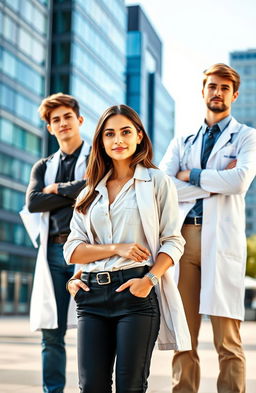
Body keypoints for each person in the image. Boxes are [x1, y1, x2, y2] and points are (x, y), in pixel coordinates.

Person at [64, 104, 191, 393]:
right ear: (101, 141)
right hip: (91, 295)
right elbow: (72, 249)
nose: (117, 140)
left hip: (134, 294)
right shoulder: (89, 191)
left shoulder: (157, 182)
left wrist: (150, 280)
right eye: (109, 134)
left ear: (139, 137)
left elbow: (173, 240)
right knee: (91, 386)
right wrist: (115, 249)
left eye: (125, 132)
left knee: (129, 386)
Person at [160, 63, 256, 393]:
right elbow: (163, 186)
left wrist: (192, 175)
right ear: (203, 91)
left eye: (224, 88)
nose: (217, 92)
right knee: (183, 336)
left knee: (227, 339)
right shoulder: (182, 140)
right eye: (212, 86)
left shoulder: (247, 136)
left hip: (222, 240)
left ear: (234, 95)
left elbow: (240, 180)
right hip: (183, 240)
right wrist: (216, 180)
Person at [20, 93, 91, 393]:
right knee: (51, 333)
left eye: (67, 117)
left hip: (87, 252)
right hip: (52, 252)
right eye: (55, 120)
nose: (62, 124)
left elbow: (95, 185)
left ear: (80, 120)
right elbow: (34, 203)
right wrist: (74, 191)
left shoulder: (96, 157)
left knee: (93, 329)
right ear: (50, 128)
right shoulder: (42, 166)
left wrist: (58, 189)